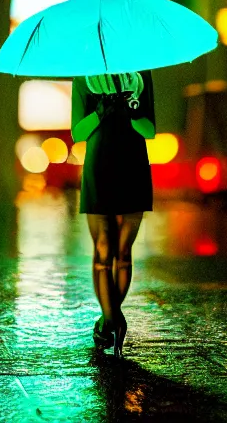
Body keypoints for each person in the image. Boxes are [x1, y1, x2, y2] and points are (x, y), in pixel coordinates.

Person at [71, 71, 156, 358]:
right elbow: (77, 133)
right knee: (103, 248)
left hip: (133, 164)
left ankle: (108, 321)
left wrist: (132, 112)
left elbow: (150, 130)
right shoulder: (85, 78)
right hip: (100, 165)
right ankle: (114, 322)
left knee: (123, 251)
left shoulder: (140, 76)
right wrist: (100, 111)